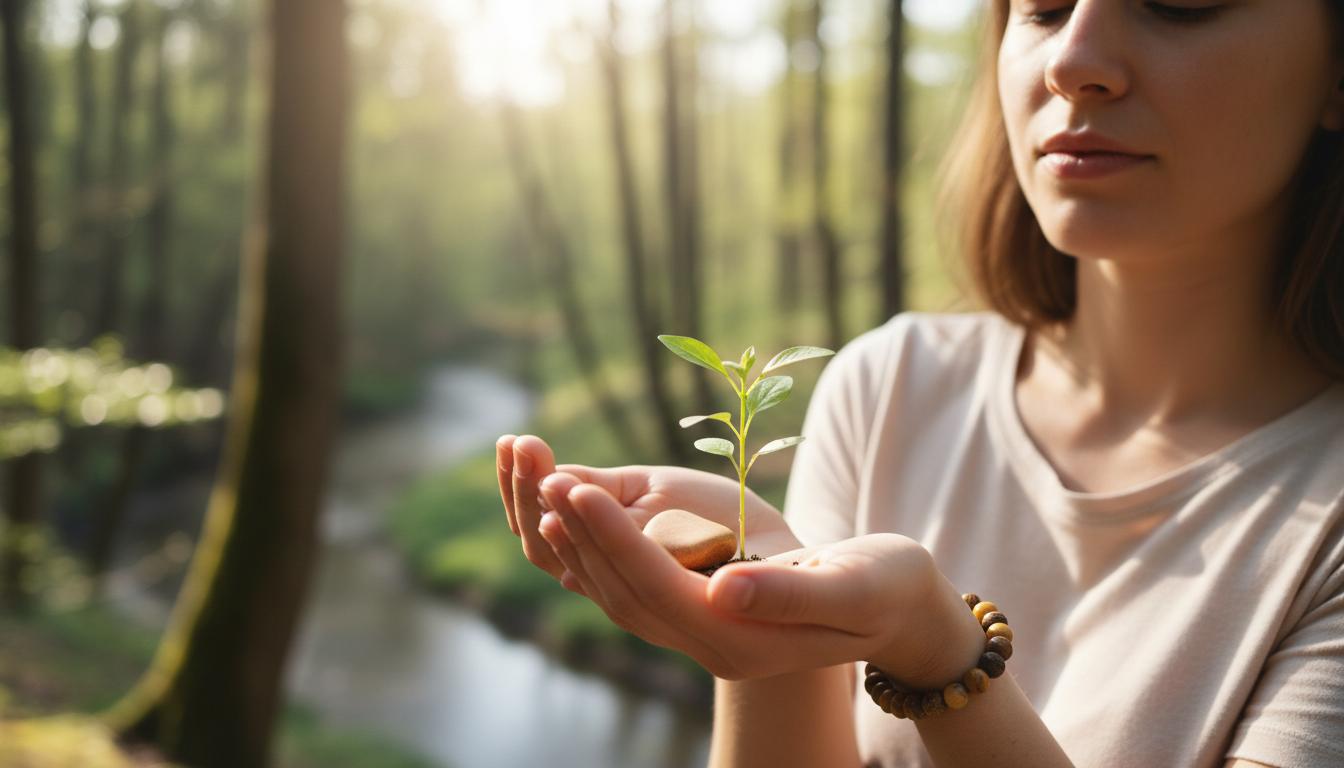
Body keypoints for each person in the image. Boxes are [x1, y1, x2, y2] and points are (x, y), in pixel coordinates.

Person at [496, 0, 1344, 765]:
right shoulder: (894, 384)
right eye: (1042, 7)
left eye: (1181, 5)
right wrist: (762, 597)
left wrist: (943, 656)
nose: (1072, 57)